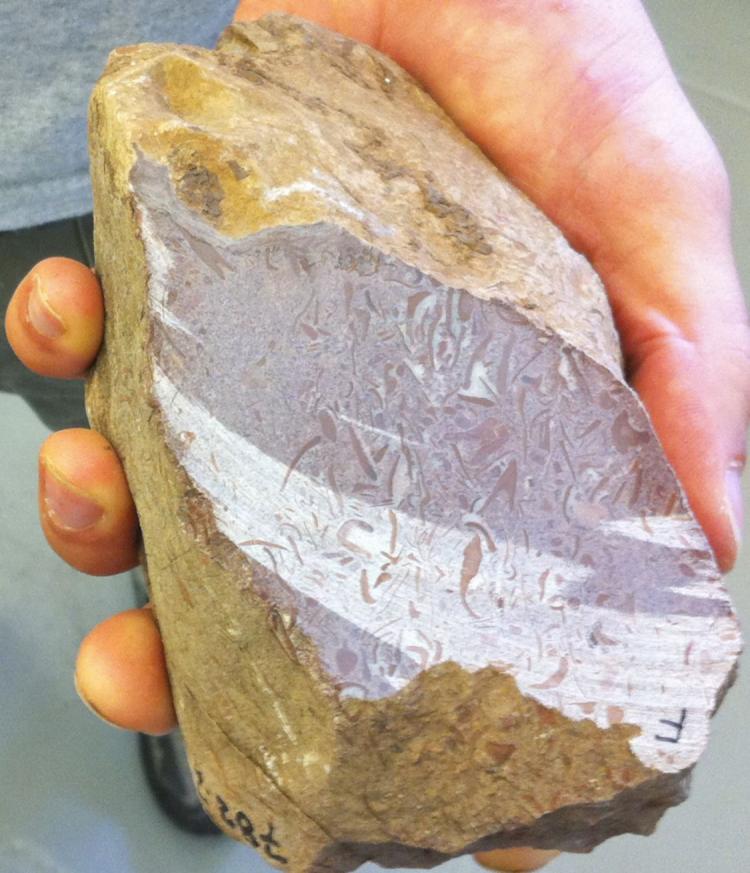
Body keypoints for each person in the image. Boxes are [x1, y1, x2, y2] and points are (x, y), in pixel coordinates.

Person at [3, 1, 749, 871]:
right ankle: (209, 630)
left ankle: (215, 641)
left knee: (93, 421)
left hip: (173, 94)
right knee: (86, 404)